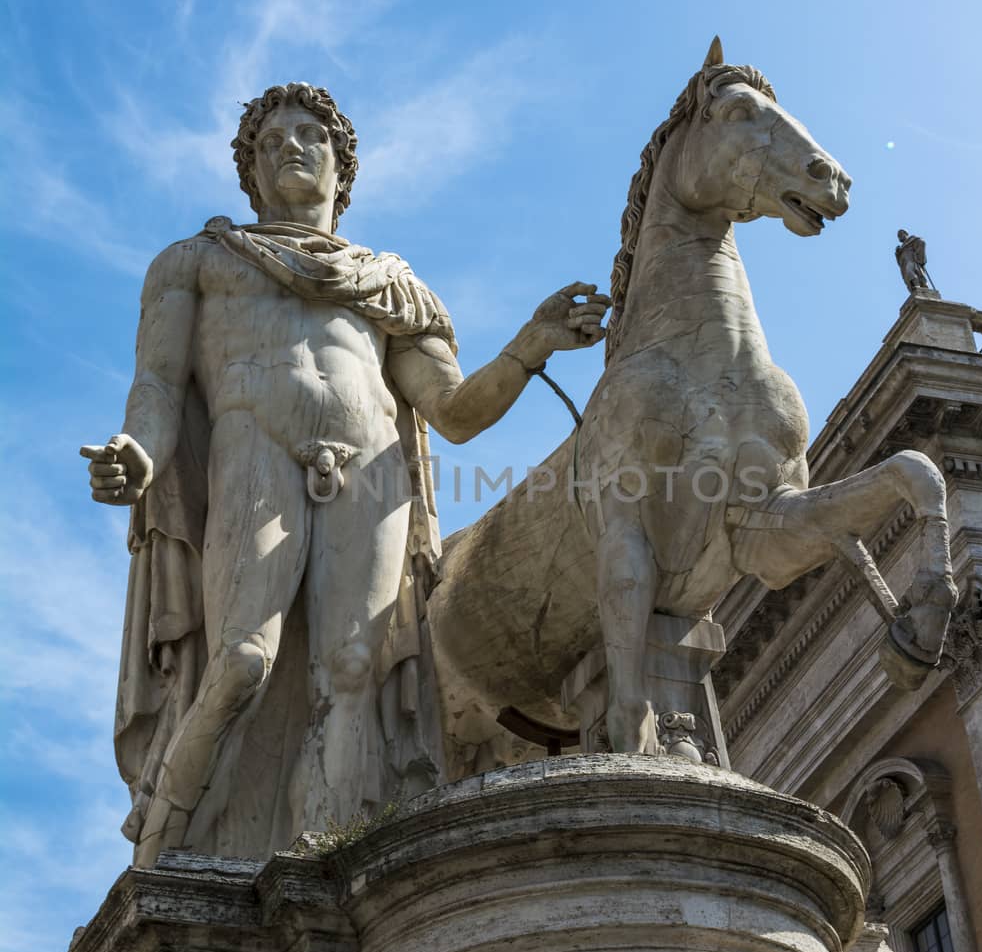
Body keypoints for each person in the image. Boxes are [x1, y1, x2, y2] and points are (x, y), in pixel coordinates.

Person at [82, 82, 609, 867]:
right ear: (251, 173)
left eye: (309, 136)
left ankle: (321, 863)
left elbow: (454, 411)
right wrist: (139, 452)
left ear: (341, 167)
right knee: (240, 662)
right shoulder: (198, 263)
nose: (290, 147)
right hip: (253, 450)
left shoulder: (390, 285)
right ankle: (162, 854)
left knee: (354, 670)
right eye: (269, 142)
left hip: (370, 467)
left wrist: (529, 345)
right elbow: (157, 384)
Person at [894, 228, 936, 293]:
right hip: (904, 264)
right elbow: (899, 263)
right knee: (908, 275)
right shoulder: (901, 248)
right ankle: (915, 287)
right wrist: (897, 254)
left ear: (906, 233)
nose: (900, 237)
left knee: (910, 271)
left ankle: (917, 285)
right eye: (898, 236)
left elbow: (922, 243)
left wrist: (918, 256)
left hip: (912, 260)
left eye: (901, 234)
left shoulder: (913, 239)